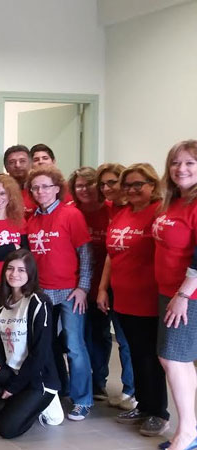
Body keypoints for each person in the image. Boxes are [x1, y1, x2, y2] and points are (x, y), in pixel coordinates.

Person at [97, 163, 170, 436]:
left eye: (138, 184)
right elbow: (111, 254)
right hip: (123, 297)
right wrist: (103, 288)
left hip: (148, 297)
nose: (131, 190)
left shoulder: (160, 212)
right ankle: (143, 404)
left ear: (152, 184)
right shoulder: (123, 213)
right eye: (127, 185)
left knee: (150, 357)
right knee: (136, 354)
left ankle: (159, 412)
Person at [0, 249, 63, 438]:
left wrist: (13, 387)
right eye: (10, 268)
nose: (14, 274)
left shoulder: (39, 302)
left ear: (30, 273)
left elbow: (40, 354)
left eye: (21, 270)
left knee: (6, 429)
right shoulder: (3, 302)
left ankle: (44, 402)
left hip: (38, 378)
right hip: (12, 370)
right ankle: (20, 400)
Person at [26, 166, 94, 421]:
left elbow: (85, 254)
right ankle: (58, 388)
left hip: (70, 292)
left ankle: (82, 400)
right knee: (47, 345)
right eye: (35, 187)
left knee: (75, 346)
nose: (40, 191)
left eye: (45, 186)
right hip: (41, 292)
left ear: (57, 188)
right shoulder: (31, 219)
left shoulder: (71, 214)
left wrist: (83, 288)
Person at [69, 167, 135, 408]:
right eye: (79, 185)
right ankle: (93, 384)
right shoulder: (71, 212)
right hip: (80, 288)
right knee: (86, 337)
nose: (85, 189)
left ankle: (127, 389)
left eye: (90, 185)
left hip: (112, 286)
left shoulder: (113, 210)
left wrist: (103, 288)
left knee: (118, 339)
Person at [153, 140, 197, 450]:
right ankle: (191, 426)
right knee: (180, 361)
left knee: (171, 358)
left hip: (188, 296)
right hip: (168, 291)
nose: (181, 169)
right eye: (175, 162)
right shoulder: (173, 201)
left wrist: (183, 294)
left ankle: (187, 432)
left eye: (190, 163)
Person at [3, 145, 35, 218]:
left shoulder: (41, 190)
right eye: (12, 162)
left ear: (31, 164)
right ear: (6, 167)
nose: (17, 165)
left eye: (22, 161)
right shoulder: (0, 193)